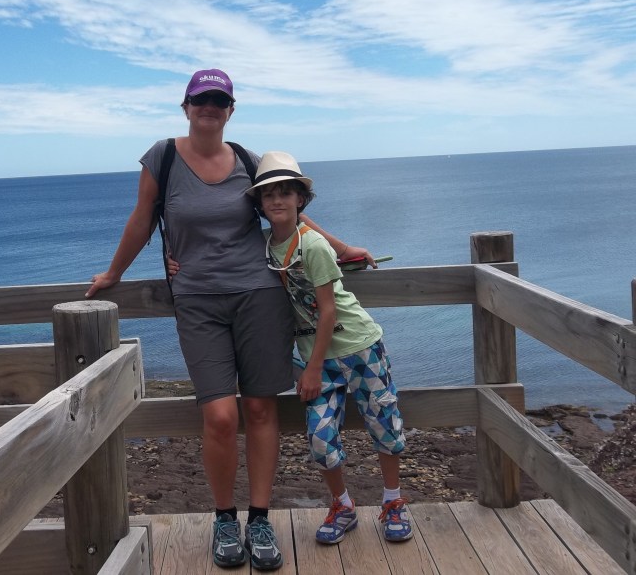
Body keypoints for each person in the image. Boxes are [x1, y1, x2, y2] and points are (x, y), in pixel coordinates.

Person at [86, 69, 295, 570]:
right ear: (185, 107)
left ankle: (259, 519)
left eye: (219, 100)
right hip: (198, 302)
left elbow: (285, 213)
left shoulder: (248, 161)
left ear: (230, 110)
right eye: (201, 98)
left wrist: (341, 247)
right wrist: (115, 273)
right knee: (220, 415)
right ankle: (224, 518)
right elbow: (142, 218)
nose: (209, 107)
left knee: (261, 410)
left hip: (260, 295)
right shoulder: (162, 157)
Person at [245, 151, 413, 545]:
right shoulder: (264, 245)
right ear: (260, 204)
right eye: (268, 194)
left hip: (358, 346)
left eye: (286, 192)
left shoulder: (314, 247)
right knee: (321, 438)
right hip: (315, 356)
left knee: (384, 422)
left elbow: (328, 311)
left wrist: (312, 369)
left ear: (300, 199)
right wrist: (176, 262)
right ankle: (343, 505)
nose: (277, 200)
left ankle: (393, 501)